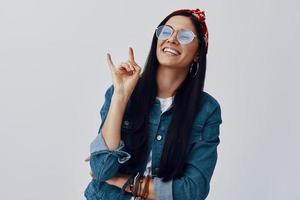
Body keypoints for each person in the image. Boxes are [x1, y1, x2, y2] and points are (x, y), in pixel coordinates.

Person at [84, 8, 222, 200]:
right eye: (166, 31)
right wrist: (120, 97)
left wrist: (122, 181)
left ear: (198, 53)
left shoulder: (207, 110)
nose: (172, 39)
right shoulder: (121, 92)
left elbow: (192, 190)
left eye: (184, 36)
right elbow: (101, 169)